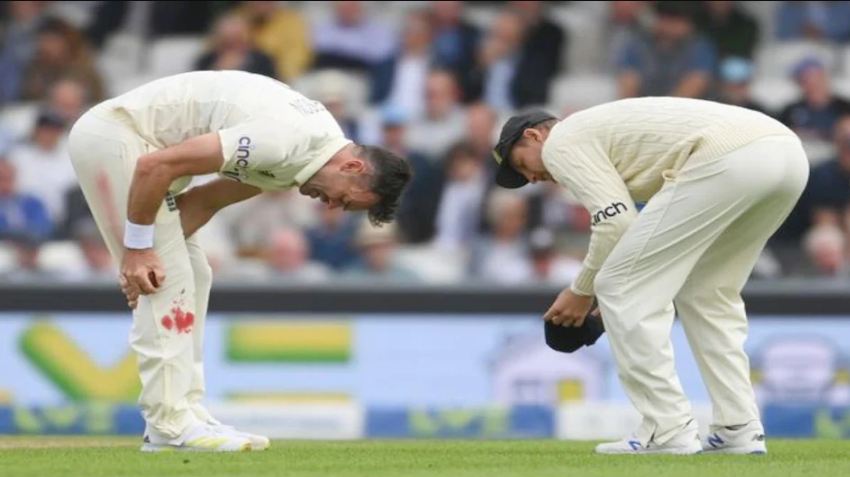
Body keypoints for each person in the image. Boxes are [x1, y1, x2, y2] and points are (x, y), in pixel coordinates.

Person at [67, 70, 411, 452]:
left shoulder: (301, 163)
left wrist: (146, 258)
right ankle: (168, 424)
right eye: (342, 199)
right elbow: (155, 167)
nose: (329, 206)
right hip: (117, 136)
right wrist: (136, 251)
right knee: (171, 276)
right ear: (352, 167)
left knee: (193, 273)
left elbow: (203, 201)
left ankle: (186, 411)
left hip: (146, 153)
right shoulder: (284, 141)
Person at [491, 98, 808, 454]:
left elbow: (615, 222)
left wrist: (581, 291)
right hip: (787, 155)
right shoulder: (608, 139)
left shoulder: (562, 141)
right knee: (707, 291)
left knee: (618, 286)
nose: (532, 179)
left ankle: (667, 429)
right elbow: (641, 229)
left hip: (729, 159)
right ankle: (739, 427)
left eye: (523, 166)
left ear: (534, 136)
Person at [616, 1, 716, 99]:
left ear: (690, 24)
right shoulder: (638, 43)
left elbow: (696, 82)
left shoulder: (699, 48)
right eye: (664, 19)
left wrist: (663, 111)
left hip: (682, 109)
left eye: (675, 21)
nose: (668, 26)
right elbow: (628, 80)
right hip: (641, 107)